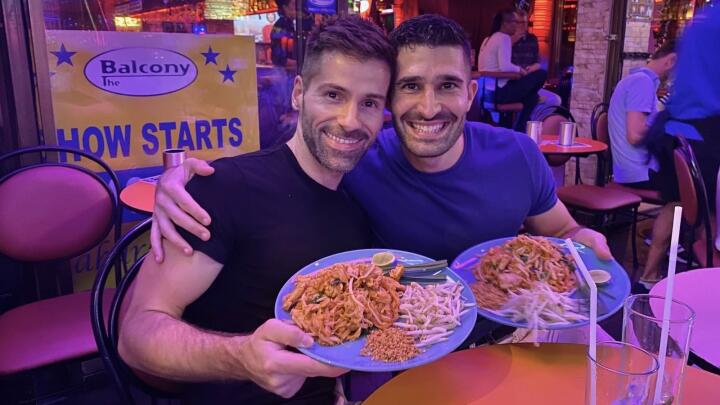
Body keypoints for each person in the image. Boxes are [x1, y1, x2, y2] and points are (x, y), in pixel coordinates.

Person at [118, 16, 395, 404]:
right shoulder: (226, 187)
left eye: (369, 103)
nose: (350, 120)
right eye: (333, 95)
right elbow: (136, 334)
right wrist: (241, 357)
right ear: (299, 93)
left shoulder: (357, 205)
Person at [643, 6, 720, 254]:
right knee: (708, 210)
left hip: (674, 128)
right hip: (705, 130)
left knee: (676, 203)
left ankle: (649, 275)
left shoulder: (703, 18)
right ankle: (704, 276)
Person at [608, 40, 677, 285]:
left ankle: (671, 240)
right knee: (684, 195)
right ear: (670, 61)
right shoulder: (642, 83)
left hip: (633, 167)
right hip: (637, 171)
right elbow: (635, 135)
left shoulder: (637, 80)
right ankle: (652, 271)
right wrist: (665, 122)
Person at [477, 9, 547, 131]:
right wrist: (520, 70)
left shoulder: (488, 39)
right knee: (541, 74)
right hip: (499, 93)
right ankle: (519, 130)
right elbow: (505, 66)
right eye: (515, 22)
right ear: (505, 24)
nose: (517, 25)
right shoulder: (504, 38)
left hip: (485, 92)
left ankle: (512, 130)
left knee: (531, 98)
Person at [511, 9, 562, 120]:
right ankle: (527, 123)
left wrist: (534, 67)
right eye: (518, 22)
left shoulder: (532, 39)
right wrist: (513, 40)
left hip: (530, 81)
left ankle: (534, 125)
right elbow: (504, 65)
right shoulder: (506, 40)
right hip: (513, 84)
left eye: (524, 22)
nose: (522, 26)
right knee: (531, 100)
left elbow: (538, 63)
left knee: (555, 99)